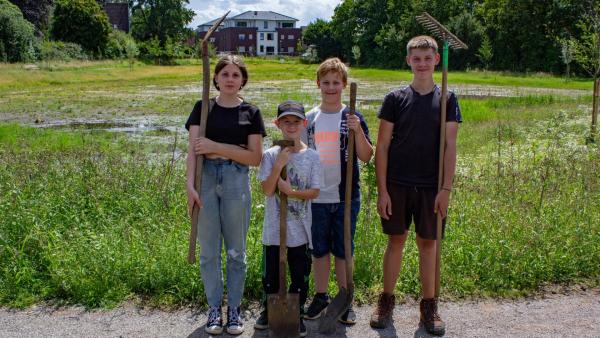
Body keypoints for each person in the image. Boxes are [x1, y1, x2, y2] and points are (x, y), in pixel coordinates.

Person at [369, 35, 462, 336]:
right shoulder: (395, 99)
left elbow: (450, 146)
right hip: (397, 183)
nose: (422, 63)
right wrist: (382, 190)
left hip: (431, 186)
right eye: (416, 58)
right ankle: (386, 300)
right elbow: (382, 147)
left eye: (427, 58)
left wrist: (446, 189)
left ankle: (429, 306)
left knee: (428, 244)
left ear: (437, 60)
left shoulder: (447, 99)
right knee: (395, 241)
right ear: (408, 61)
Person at [185, 54, 266, 336]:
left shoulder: (251, 113)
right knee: (208, 251)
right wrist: (190, 187)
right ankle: (213, 309)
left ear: (243, 80)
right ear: (216, 79)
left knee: (236, 251)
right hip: (204, 179)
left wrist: (216, 146)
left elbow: (254, 157)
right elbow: (194, 150)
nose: (230, 79)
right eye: (225, 74)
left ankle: (234, 309)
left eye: (235, 75)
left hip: (235, 180)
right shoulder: (203, 108)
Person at [302, 57, 373, 324]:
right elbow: (299, 154)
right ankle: (321, 295)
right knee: (319, 249)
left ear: (344, 85)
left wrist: (358, 133)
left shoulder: (352, 117)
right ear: (318, 84)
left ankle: (345, 297)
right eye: (326, 83)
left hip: (345, 197)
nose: (331, 87)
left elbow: (366, 156)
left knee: (343, 250)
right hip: (317, 197)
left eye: (336, 83)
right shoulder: (309, 119)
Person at [253, 101, 321, 337]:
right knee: (270, 276)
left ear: (304, 124)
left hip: (301, 231)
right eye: (286, 121)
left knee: (300, 275)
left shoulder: (312, 156)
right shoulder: (271, 155)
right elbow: (268, 190)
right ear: (277, 124)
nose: (291, 126)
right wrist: (279, 164)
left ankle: (297, 312)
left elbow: (314, 192)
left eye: (295, 122)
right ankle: (269, 309)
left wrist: (291, 192)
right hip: (274, 231)